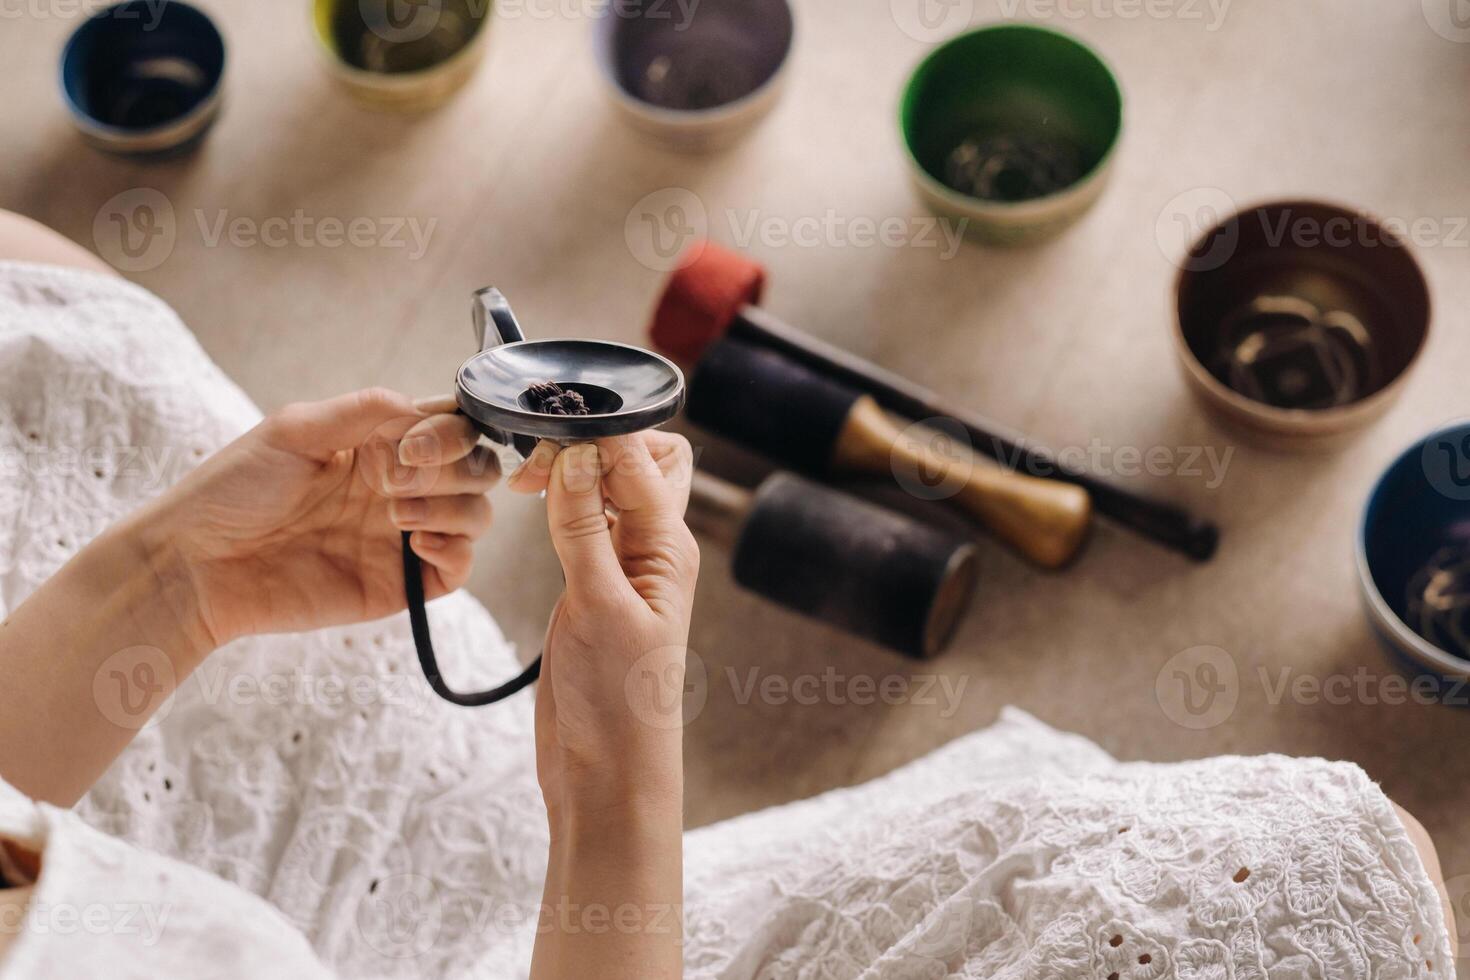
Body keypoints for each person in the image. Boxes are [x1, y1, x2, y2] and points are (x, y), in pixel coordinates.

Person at [0, 211, 1455, 978]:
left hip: (77, 804)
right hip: (580, 928)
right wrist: (614, 802)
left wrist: (172, 578)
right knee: (1334, 862)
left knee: (38, 296)